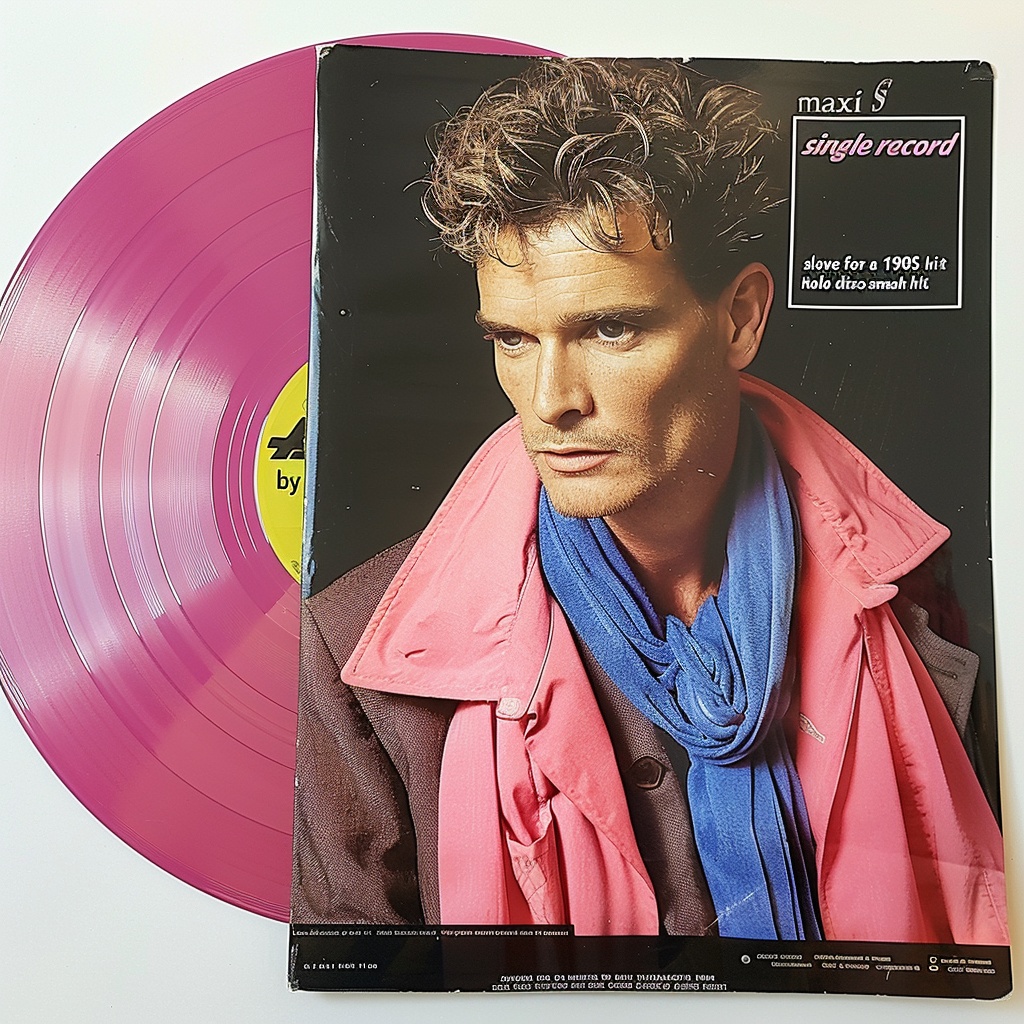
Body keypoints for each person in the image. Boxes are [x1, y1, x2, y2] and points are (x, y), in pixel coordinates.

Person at [292, 59, 1007, 944]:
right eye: (513, 339)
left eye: (610, 327)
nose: (550, 400)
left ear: (740, 319)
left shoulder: (935, 593)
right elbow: (358, 996)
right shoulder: (353, 648)